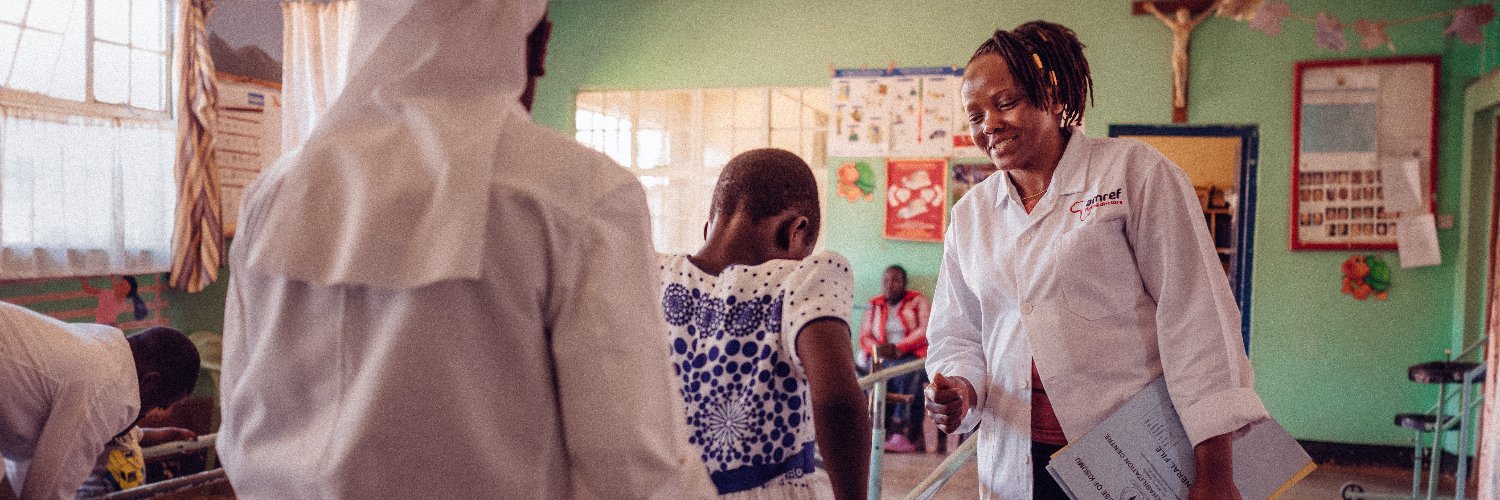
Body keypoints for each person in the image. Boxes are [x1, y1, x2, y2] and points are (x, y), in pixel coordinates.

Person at [218, 1, 714, 498]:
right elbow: (633, 476)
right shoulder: (581, 196)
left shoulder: (274, 197)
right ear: (538, 42)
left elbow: (241, 432)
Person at [923, 21, 1268, 499]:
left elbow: (1196, 318)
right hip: (1016, 457)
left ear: (1054, 93)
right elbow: (958, 332)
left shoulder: (1134, 173)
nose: (990, 125)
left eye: (1006, 103)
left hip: (1135, 453)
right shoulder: (970, 217)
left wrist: (1215, 471)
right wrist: (960, 387)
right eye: (975, 115)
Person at [659, 148, 870, 500]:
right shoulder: (801, 280)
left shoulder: (655, 274)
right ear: (796, 231)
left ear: (708, 225)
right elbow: (837, 400)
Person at [0, 304, 199, 500]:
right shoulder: (110, 390)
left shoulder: (107, 345)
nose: (153, 412)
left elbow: (34, 466)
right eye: (162, 403)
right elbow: (48, 492)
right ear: (150, 381)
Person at [857, 265, 930, 453]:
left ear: (905, 283)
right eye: (886, 280)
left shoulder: (917, 301)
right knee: (875, 374)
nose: (890, 285)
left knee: (905, 373)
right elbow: (864, 335)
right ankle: (878, 431)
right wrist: (879, 349)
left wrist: (899, 348)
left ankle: (903, 432)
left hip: (913, 355)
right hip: (883, 357)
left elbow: (925, 330)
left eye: (896, 280)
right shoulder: (874, 305)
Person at [79, 276, 148, 326]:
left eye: (122, 285)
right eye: (119, 283)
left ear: (126, 291)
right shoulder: (110, 295)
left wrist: (83, 278)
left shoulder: (110, 296)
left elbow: (87, 289)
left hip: (107, 326)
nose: (117, 285)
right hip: (104, 325)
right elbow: (87, 289)